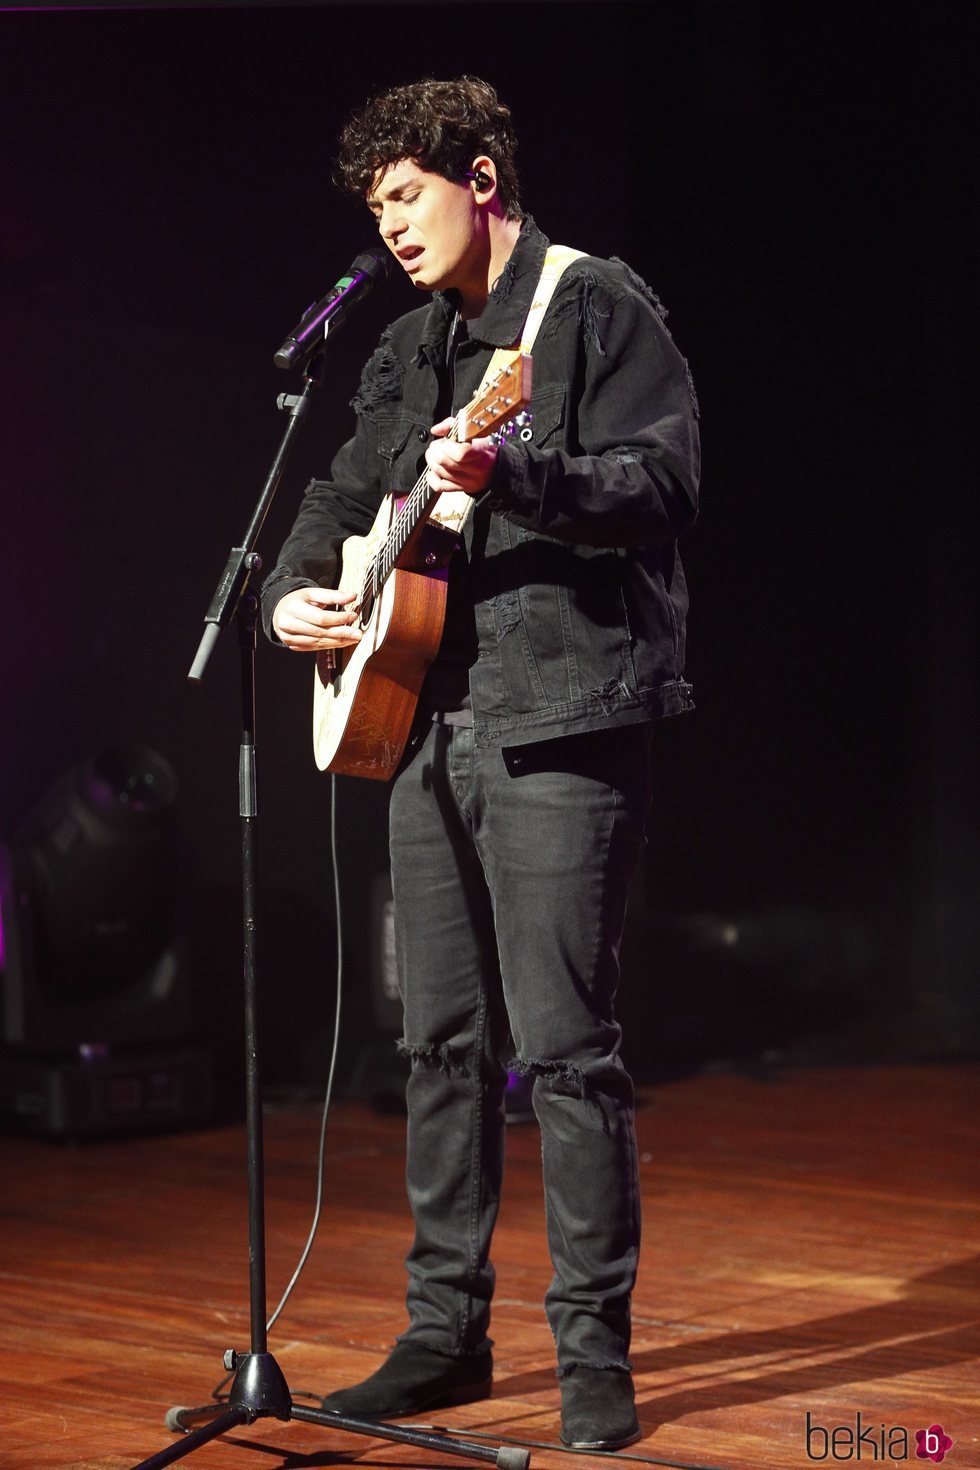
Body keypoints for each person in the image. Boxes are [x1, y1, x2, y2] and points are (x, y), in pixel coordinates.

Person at [261, 76, 700, 1451]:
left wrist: (524, 479)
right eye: (376, 205)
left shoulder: (593, 307)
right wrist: (291, 596)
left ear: (482, 180)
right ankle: (443, 1332)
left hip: (560, 712)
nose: (390, 225)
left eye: (407, 194)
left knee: (565, 1049)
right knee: (436, 1043)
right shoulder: (401, 351)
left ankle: (591, 1358)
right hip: (414, 722)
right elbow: (341, 500)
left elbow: (665, 485)